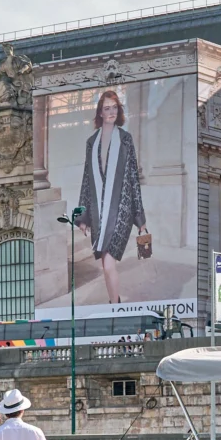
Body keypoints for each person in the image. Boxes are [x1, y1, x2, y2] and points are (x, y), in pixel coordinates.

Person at [72, 87, 147, 305]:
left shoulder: (125, 140)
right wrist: (83, 218)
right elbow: (87, 180)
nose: (111, 112)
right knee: (105, 263)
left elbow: (133, 178)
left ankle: (115, 306)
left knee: (107, 262)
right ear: (100, 113)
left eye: (115, 108)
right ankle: (115, 302)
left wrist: (140, 220)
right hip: (98, 213)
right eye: (107, 108)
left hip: (121, 210)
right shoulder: (91, 143)